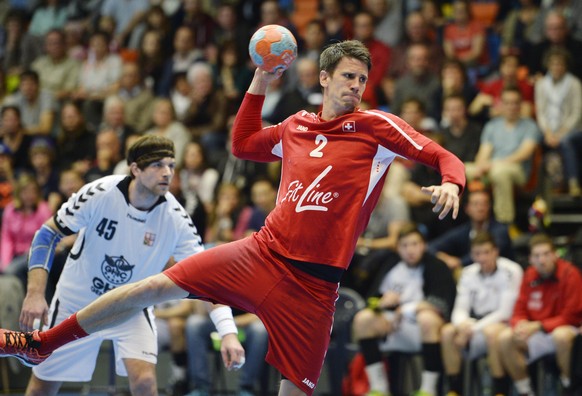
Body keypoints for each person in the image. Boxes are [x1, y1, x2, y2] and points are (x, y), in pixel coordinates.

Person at [0, 40, 465, 396]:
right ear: (324, 78)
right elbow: (242, 144)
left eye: (362, 79)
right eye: (347, 76)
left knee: (295, 389)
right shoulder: (295, 126)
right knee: (152, 288)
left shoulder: (376, 128)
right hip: (261, 253)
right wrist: (260, 77)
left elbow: (444, 156)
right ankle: (42, 343)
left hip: (316, 286)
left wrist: (451, 183)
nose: (355, 87)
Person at [8, 135, 243, 396]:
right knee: (42, 386)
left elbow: (206, 280)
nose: (167, 173)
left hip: (130, 307)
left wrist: (228, 332)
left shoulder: (177, 219)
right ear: (135, 169)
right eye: (157, 165)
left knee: (144, 381)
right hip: (77, 302)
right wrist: (35, 293)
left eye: (171, 165)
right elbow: (47, 234)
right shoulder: (100, 192)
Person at [352, 224, 456, 396]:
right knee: (362, 319)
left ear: (423, 245)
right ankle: (379, 388)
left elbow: (440, 304)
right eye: (404, 245)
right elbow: (370, 300)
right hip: (392, 328)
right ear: (397, 248)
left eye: (414, 244)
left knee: (427, 318)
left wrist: (405, 309)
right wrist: (382, 303)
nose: (410, 250)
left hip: (423, 332)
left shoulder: (436, 266)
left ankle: (428, 389)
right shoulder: (390, 264)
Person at [493, 233, 582, 396]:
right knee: (505, 338)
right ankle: (525, 391)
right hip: (539, 332)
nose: (542, 260)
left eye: (546, 254)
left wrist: (539, 325)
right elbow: (519, 309)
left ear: (555, 255)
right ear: (531, 259)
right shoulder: (529, 275)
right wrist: (520, 325)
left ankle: (569, 387)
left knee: (561, 336)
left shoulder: (570, 274)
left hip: (566, 329)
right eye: (537, 256)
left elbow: (572, 316)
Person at [440, 232, 523, 396]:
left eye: (486, 252)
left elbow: (505, 312)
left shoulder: (511, 270)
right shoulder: (468, 272)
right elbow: (460, 308)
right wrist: (463, 325)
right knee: (447, 331)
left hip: (502, 324)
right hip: (474, 325)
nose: (482, 258)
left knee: (491, 332)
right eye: (477, 253)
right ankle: (454, 390)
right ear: (471, 255)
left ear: (496, 251)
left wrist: (472, 329)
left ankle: (500, 391)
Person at [428, 188, 514, 271]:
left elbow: (488, 253)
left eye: (484, 204)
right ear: (467, 209)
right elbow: (430, 247)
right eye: (476, 204)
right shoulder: (464, 230)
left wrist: (459, 262)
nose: (480, 208)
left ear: (489, 207)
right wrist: (444, 258)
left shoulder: (500, 230)